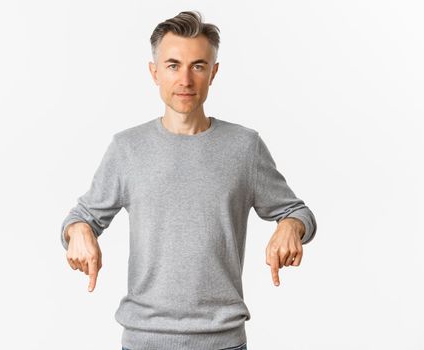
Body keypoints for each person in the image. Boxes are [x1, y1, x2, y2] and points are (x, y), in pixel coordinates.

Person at [60, 10, 317, 350]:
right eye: (172, 65)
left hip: (222, 341)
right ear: (154, 73)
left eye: (198, 66)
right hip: (143, 341)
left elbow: (299, 212)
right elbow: (81, 219)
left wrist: (289, 226)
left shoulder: (244, 147)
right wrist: (78, 231)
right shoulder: (127, 149)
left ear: (214, 73)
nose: (185, 79)